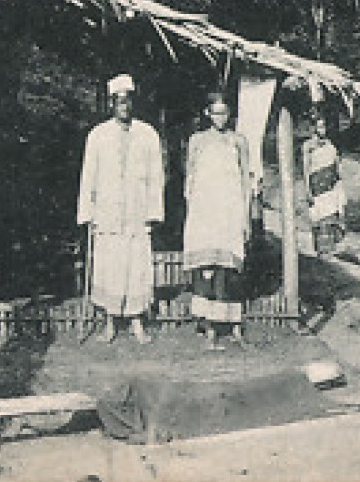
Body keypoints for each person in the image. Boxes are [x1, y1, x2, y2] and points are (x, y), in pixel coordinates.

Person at [77, 74, 165, 344]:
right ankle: (111, 323)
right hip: (108, 212)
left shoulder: (148, 134)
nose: (124, 107)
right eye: (119, 102)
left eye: (128, 102)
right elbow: (88, 175)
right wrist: (87, 213)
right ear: (111, 105)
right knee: (110, 267)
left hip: (136, 212)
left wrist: (153, 212)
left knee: (136, 266)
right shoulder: (98, 135)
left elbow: (156, 177)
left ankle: (137, 322)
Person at [182, 92, 252, 349]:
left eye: (224, 112)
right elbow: (190, 178)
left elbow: (246, 178)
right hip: (205, 212)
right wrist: (194, 211)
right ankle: (209, 326)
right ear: (207, 114)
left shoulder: (238, 141)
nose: (220, 117)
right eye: (215, 112)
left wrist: (245, 214)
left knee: (229, 267)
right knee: (206, 265)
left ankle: (233, 325)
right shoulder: (197, 141)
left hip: (230, 212)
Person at [304, 114, 344, 254]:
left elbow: (337, 166)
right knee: (319, 217)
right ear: (314, 127)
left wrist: (339, 185)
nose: (323, 129)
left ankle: (330, 249)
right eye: (319, 126)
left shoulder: (331, 144)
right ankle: (320, 249)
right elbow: (306, 169)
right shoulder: (308, 145)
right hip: (317, 185)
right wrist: (308, 190)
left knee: (330, 216)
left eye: (324, 126)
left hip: (330, 185)